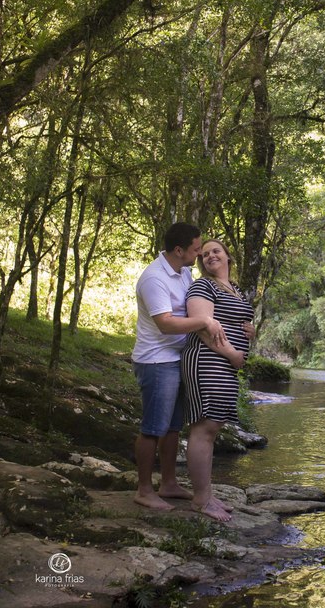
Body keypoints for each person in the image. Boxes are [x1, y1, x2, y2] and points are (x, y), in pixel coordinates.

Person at [132, 222, 227, 511]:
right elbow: (166, 324)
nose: (200, 254)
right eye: (197, 248)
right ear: (178, 250)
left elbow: (200, 305)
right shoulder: (154, 278)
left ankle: (169, 483)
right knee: (153, 428)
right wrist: (204, 322)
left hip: (178, 358)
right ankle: (144, 490)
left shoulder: (184, 272)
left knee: (173, 427)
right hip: (156, 360)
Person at [181, 239, 250, 522]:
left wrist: (250, 331)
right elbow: (201, 328)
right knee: (204, 428)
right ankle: (201, 499)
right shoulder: (202, 286)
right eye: (205, 253)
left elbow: (236, 321)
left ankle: (206, 494)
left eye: (216, 251)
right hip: (207, 361)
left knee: (214, 427)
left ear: (228, 257)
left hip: (225, 366)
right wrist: (234, 354)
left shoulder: (235, 289)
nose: (210, 255)